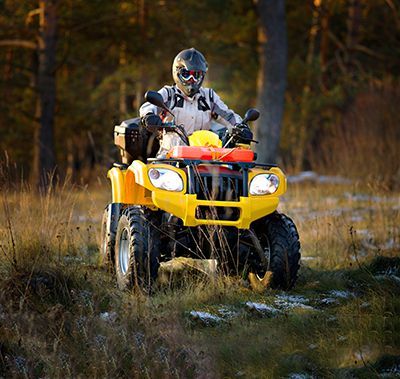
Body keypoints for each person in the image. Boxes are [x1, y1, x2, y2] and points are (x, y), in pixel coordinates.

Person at [139, 48, 252, 157]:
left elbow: (228, 115)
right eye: (186, 74)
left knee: (231, 173)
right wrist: (149, 116)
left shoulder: (209, 96)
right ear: (176, 72)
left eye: (196, 75)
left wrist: (241, 127)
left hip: (205, 158)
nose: (191, 79)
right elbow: (148, 106)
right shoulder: (169, 94)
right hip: (170, 156)